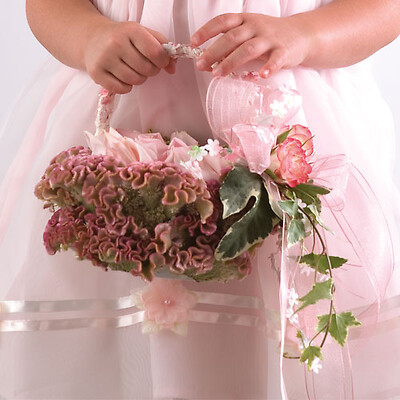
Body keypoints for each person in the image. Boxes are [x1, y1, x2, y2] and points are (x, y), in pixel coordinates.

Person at [0, 0, 399, 398]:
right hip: (119, 117)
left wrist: (306, 33)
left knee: (288, 316)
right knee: (119, 330)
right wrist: (88, 36)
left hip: (287, 120)